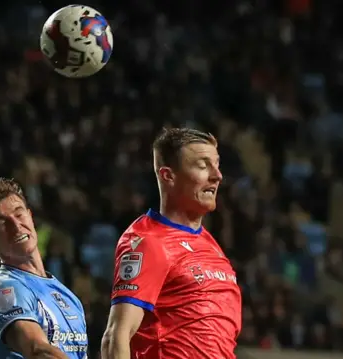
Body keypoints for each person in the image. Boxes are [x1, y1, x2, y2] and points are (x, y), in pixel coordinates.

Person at [101, 128, 242, 359]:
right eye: (203, 165)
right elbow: (116, 336)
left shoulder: (210, 244)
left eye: (217, 165)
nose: (217, 176)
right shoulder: (149, 241)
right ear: (168, 176)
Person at [0, 179, 89, 359]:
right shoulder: (1, 290)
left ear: (30, 216)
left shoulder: (69, 297)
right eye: (2, 222)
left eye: (19, 215)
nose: (16, 226)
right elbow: (37, 350)